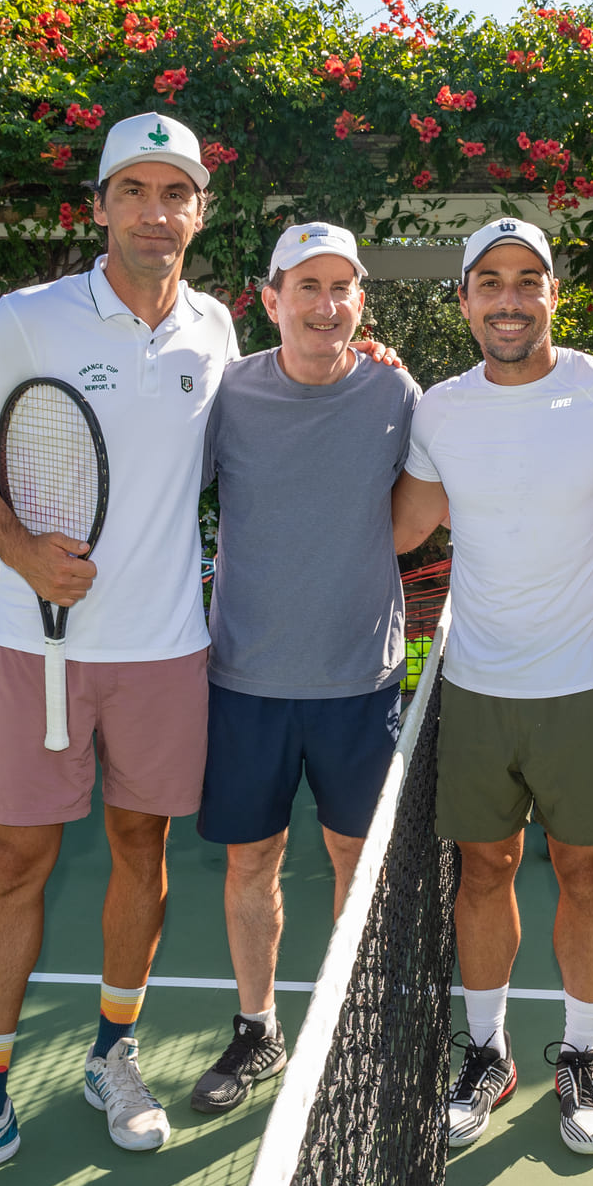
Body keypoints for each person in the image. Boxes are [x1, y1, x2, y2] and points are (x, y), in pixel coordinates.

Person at [0, 112, 237, 1186]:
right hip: (37, 653)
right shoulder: (26, 319)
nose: (155, 212)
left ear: (199, 211)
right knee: (14, 867)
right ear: (101, 205)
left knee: (140, 849)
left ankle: (113, 1053)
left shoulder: (217, 330)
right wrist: (19, 552)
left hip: (166, 652)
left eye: (175, 192)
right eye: (135, 191)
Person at [390, 218, 593, 1158]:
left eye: (527, 280)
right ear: (465, 300)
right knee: (485, 870)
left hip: (585, 685)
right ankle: (489, 1053)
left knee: (587, 874)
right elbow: (401, 527)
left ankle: (581, 1053)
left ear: (553, 293)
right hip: (475, 685)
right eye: (490, 282)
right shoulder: (437, 410)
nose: (509, 300)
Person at [188, 222, 422, 1114]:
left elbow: (427, 507)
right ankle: (259, 1029)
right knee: (253, 859)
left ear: (361, 299)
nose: (326, 305)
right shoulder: (229, 393)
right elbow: (159, 494)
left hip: (360, 683)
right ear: (271, 298)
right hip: (245, 681)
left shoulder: (397, 391)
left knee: (356, 860)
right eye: (307, 287)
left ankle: (352, 1027)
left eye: (342, 287)